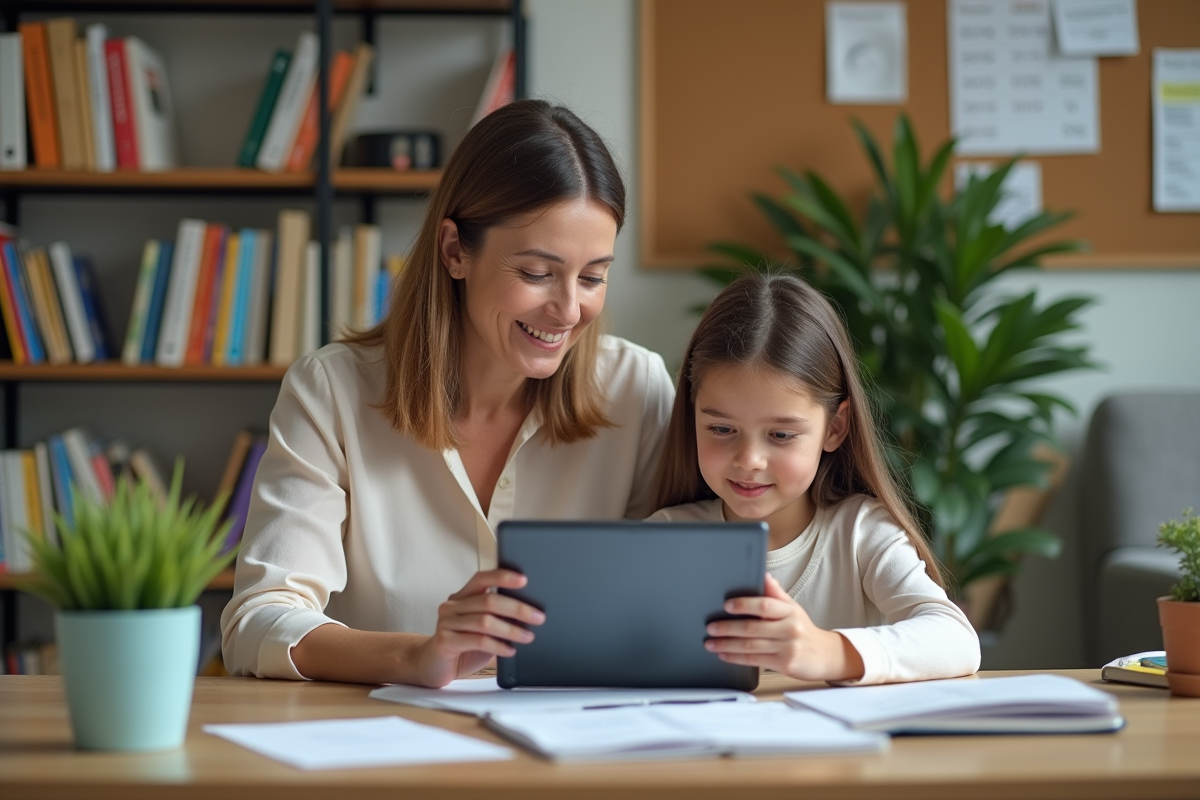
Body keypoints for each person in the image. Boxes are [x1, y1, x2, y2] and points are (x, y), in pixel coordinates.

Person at [221, 100, 674, 686]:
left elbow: (672, 602)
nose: (568, 309)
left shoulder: (637, 389)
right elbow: (258, 622)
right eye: (537, 273)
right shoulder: (331, 391)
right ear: (455, 250)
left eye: (592, 277)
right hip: (391, 755)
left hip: (574, 752)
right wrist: (416, 656)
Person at [649, 272, 980, 685]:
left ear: (835, 428)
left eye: (781, 435)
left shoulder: (861, 533)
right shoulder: (663, 539)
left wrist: (826, 651)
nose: (749, 460)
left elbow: (957, 640)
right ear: (692, 415)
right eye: (721, 429)